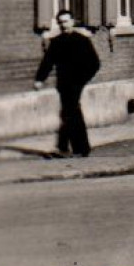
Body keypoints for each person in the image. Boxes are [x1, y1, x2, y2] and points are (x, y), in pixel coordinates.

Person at [33, 9, 100, 157]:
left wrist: (82, 79)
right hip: (63, 84)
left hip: (76, 83)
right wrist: (39, 79)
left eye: (66, 21)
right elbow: (47, 62)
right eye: (60, 22)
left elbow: (95, 63)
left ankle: (71, 148)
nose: (63, 25)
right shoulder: (56, 42)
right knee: (70, 112)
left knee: (70, 112)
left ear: (72, 21)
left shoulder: (82, 41)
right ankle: (77, 148)